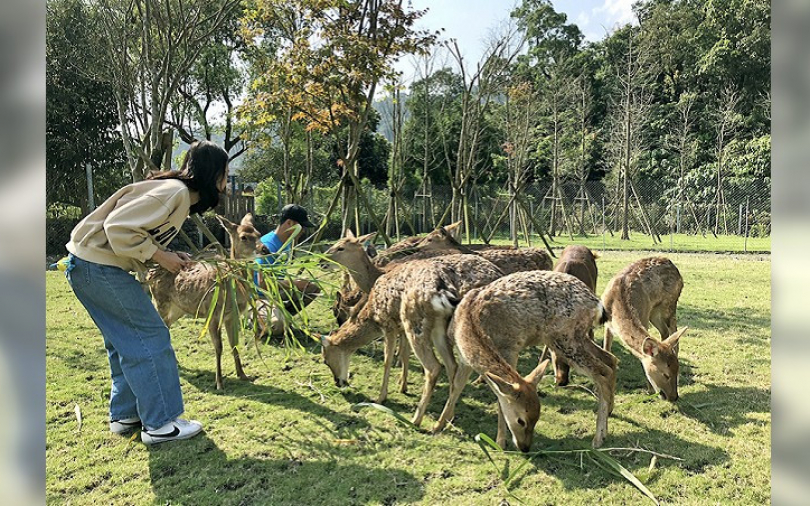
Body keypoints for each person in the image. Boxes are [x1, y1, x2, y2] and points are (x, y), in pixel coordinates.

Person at [64, 140, 230, 445]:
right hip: (97, 267)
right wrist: (161, 256)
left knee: (125, 341)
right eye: (225, 175)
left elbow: (136, 234)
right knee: (151, 336)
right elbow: (118, 228)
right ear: (214, 174)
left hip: (87, 266)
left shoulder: (174, 194)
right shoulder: (175, 193)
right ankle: (161, 423)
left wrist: (168, 255)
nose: (226, 184)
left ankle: (126, 414)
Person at [255, 204, 321, 318]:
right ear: (290, 223)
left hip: (276, 294)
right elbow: (263, 284)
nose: (303, 232)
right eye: (302, 227)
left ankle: (284, 317)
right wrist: (294, 283)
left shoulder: (287, 243)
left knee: (312, 288)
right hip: (260, 297)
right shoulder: (267, 246)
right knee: (276, 324)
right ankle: (267, 319)